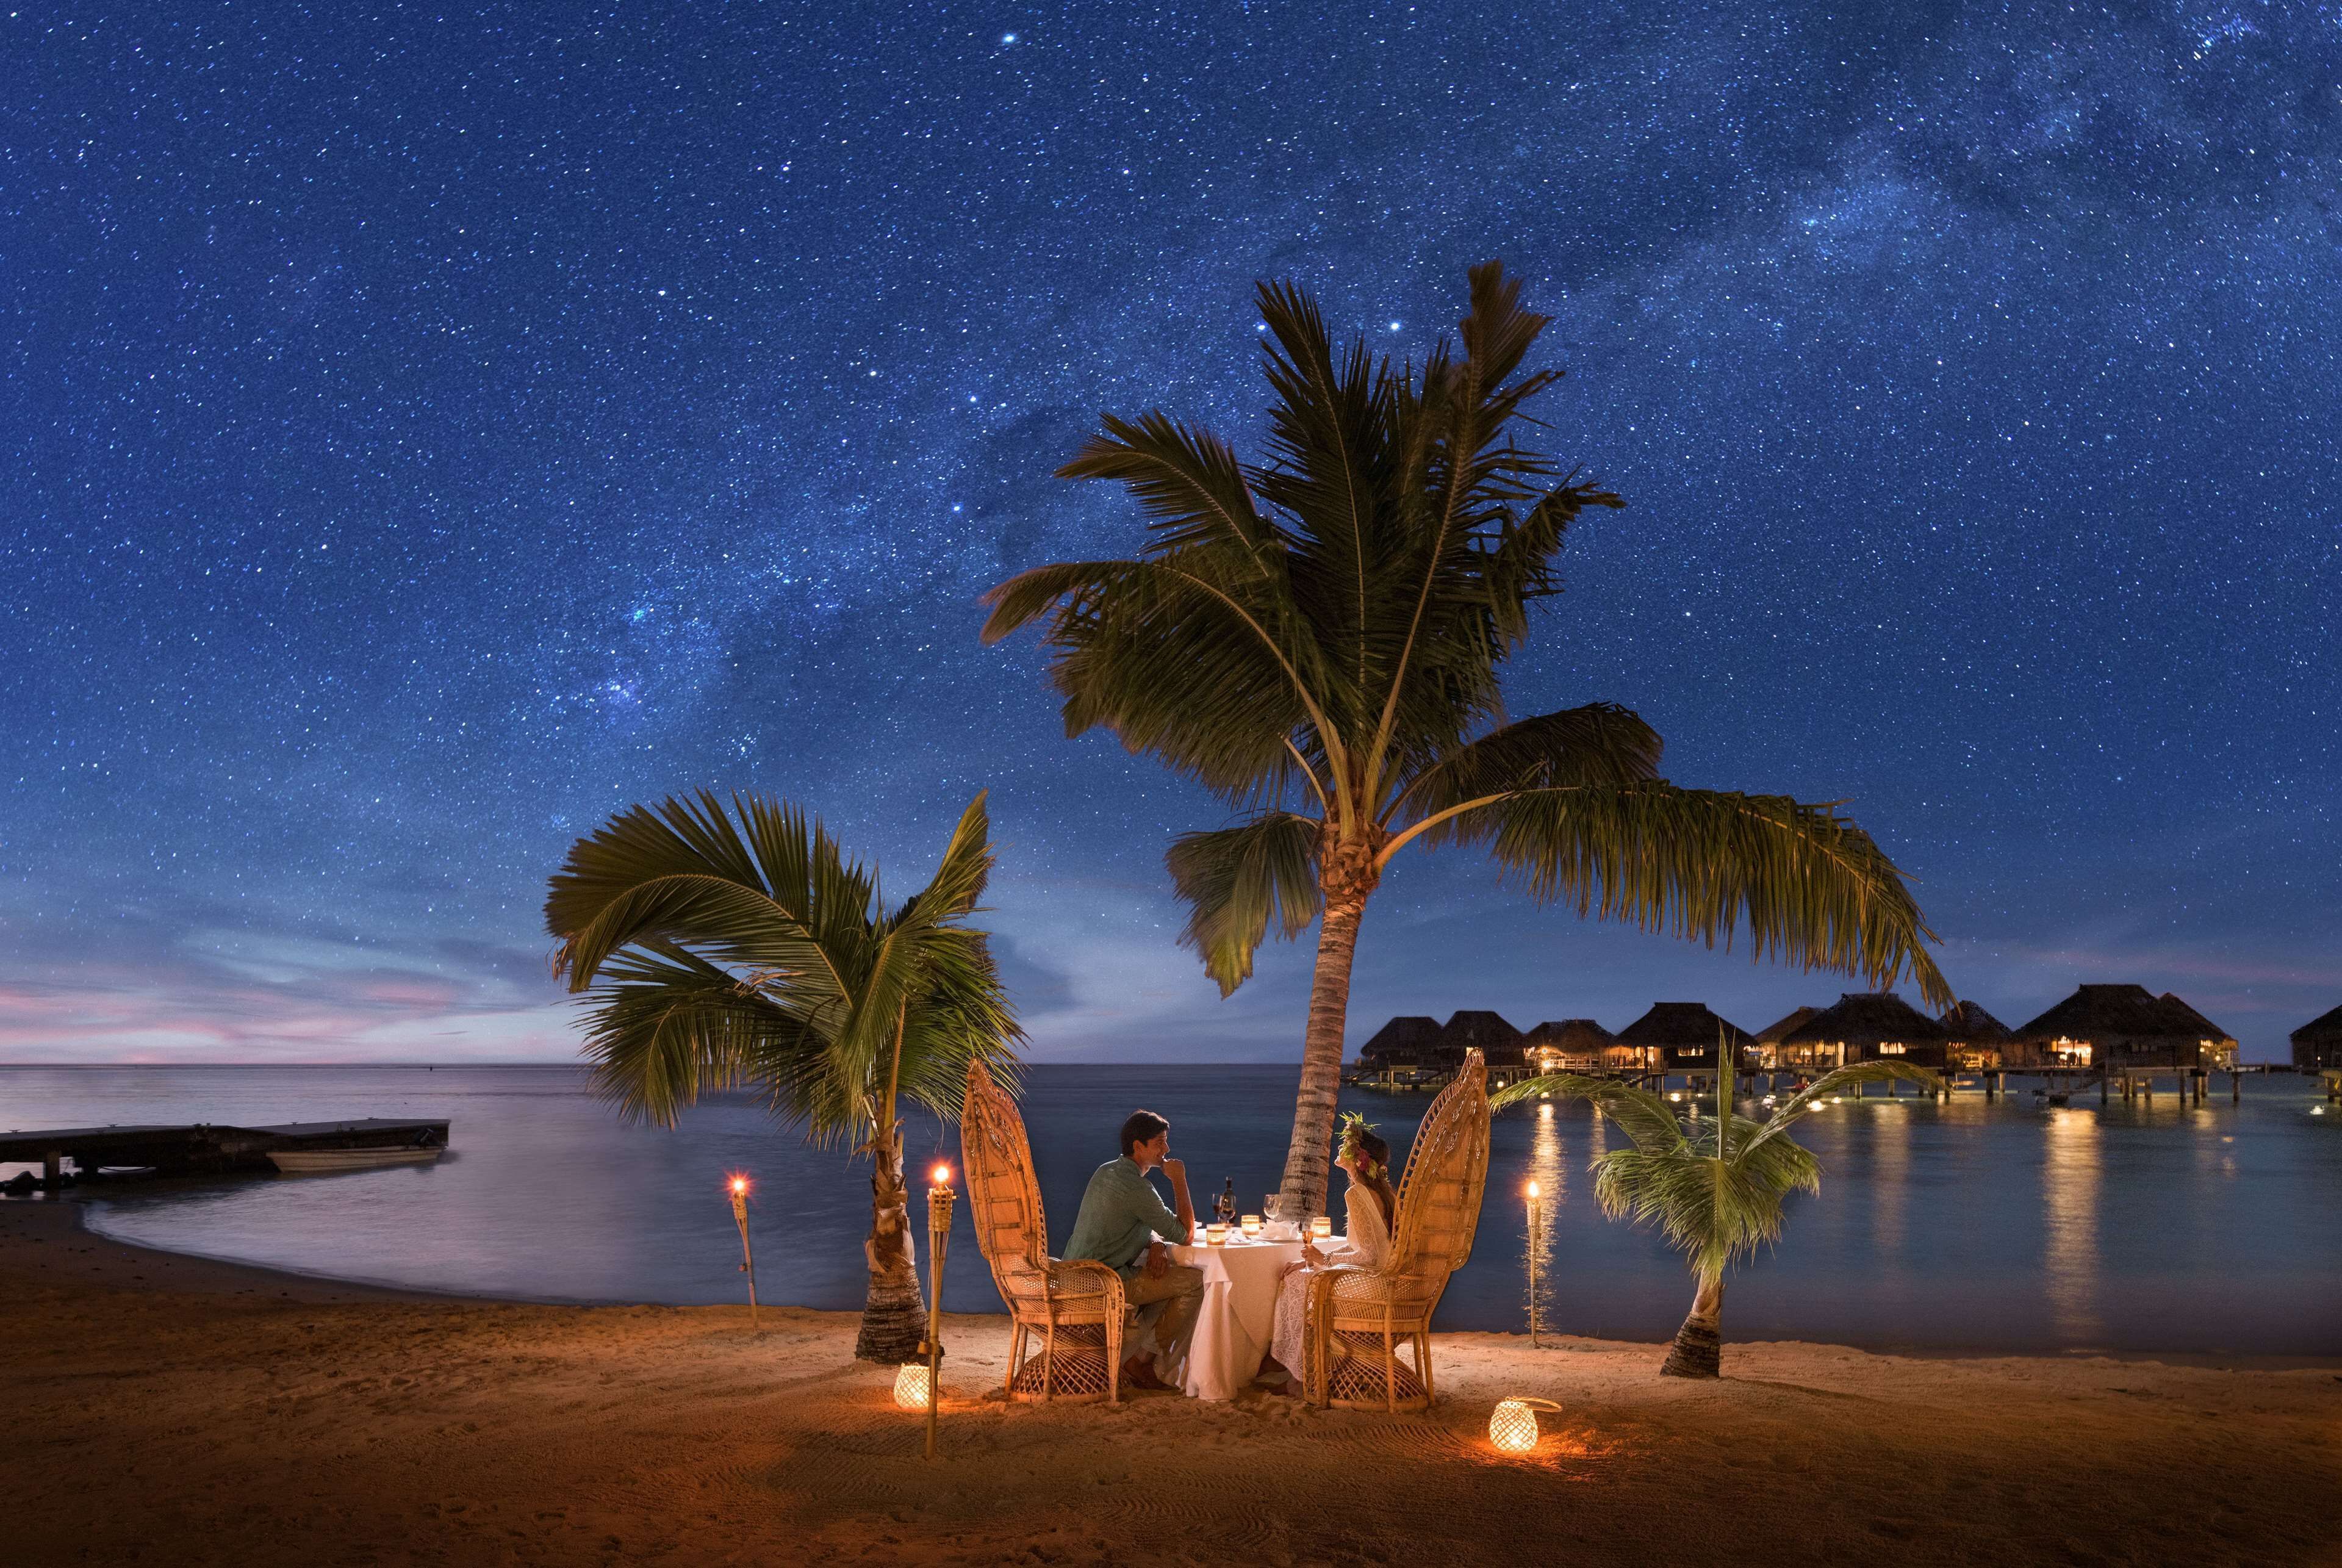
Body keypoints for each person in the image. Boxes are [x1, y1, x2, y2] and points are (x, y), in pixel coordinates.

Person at [1062, 1109, 1201, 1391]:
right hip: (1104, 1283)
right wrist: (1179, 1180)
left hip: (1071, 1274)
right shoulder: (1139, 1188)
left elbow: (1135, 1220)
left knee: (1163, 1278)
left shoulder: (1106, 1171)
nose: (1167, 1149)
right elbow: (1186, 1235)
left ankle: (1134, 1356)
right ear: (1139, 1146)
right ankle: (1141, 1360)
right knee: (1193, 1283)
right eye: (1160, 1142)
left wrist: (1156, 1243)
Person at [1260, 1117, 1395, 1395]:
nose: (1339, 1148)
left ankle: (1297, 1373)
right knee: (1300, 1274)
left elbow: (1368, 1253)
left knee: (1297, 1282)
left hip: (1369, 1282)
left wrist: (1326, 1261)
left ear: (1359, 1158)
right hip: (1381, 1275)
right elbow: (1366, 1246)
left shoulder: (1356, 1193)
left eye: (1346, 1145)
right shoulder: (1379, 1192)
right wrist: (1313, 1259)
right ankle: (1294, 1364)